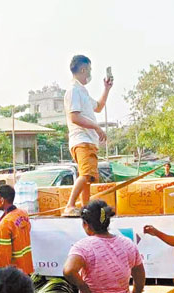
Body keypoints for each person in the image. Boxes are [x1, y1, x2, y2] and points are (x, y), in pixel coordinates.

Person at [63, 54, 112, 217]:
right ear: (83, 69)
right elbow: (74, 117)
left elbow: (98, 107)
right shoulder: (74, 90)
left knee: (88, 177)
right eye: (89, 70)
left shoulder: (82, 91)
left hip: (88, 141)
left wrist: (106, 89)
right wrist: (96, 127)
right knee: (86, 175)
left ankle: (85, 208)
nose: (90, 74)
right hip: (82, 140)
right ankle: (70, 205)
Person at [0, 185, 34, 274]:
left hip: (14, 274)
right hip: (27, 268)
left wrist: (1, 275)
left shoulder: (5, 223)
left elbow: (3, 255)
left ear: (2, 200)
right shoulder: (23, 214)